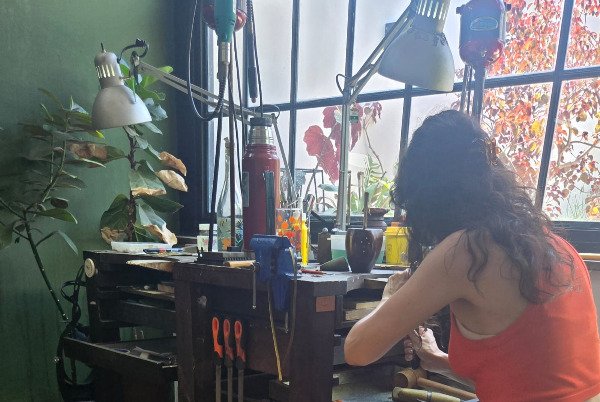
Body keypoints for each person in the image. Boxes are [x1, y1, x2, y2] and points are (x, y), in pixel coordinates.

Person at [344, 110, 600, 401]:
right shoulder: (554, 246)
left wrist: (392, 295)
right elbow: (521, 378)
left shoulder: (467, 249)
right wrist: (437, 359)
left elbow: (357, 350)